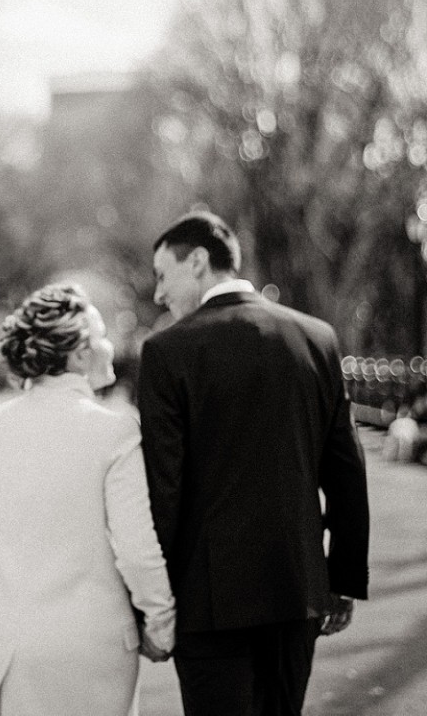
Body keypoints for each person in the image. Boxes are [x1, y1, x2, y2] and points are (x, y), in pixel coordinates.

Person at [138, 211, 370, 716]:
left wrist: (152, 602)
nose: (158, 294)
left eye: (162, 274)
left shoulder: (166, 353)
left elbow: (164, 490)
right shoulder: (316, 339)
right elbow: (346, 471)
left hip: (208, 603)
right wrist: (342, 579)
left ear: (198, 262)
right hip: (297, 590)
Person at [0, 283, 175, 716]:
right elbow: (136, 550)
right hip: (89, 649)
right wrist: (161, 622)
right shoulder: (115, 432)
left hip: (4, 643)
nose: (110, 345)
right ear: (79, 354)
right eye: (102, 335)